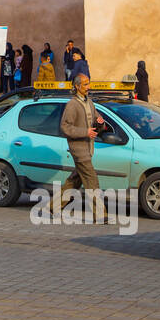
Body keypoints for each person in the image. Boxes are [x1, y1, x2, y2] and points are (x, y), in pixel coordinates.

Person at [49, 73, 107, 222]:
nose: (89, 87)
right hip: (79, 149)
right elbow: (65, 127)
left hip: (89, 148)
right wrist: (85, 132)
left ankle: (54, 206)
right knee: (92, 180)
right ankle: (100, 215)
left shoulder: (89, 103)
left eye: (89, 83)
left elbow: (96, 124)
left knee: (75, 180)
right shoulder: (72, 105)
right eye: (86, 84)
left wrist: (100, 123)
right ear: (77, 86)